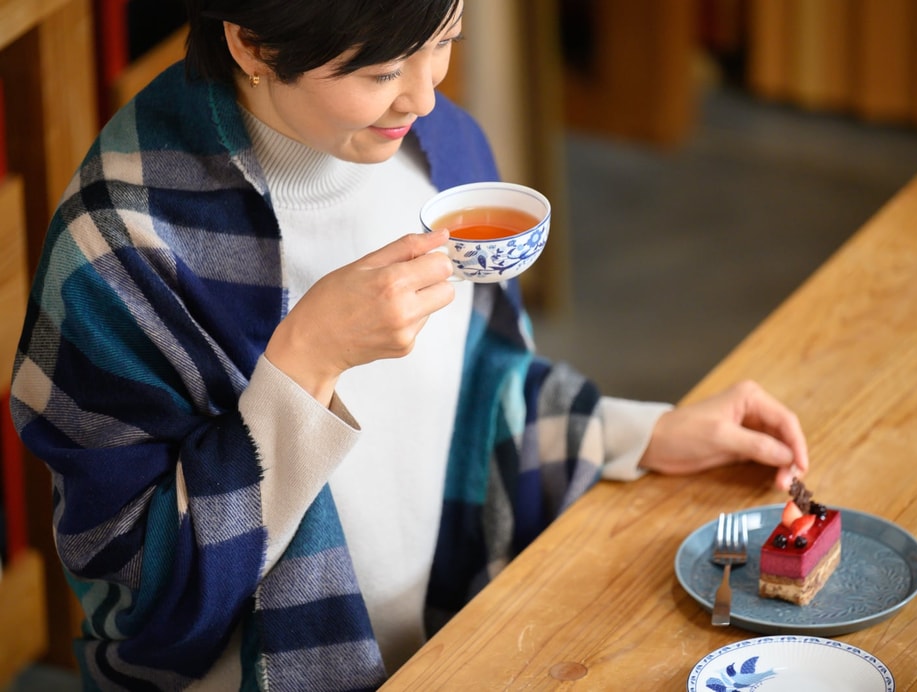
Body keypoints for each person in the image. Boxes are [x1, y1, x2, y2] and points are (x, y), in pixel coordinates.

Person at [9, 0, 809, 689]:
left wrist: (641, 433)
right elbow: (143, 596)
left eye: (445, 37)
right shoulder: (121, 248)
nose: (426, 96)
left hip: (450, 646)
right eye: (381, 72)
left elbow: (483, 392)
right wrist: (305, 363)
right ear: (250, 43)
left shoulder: (444, 159)